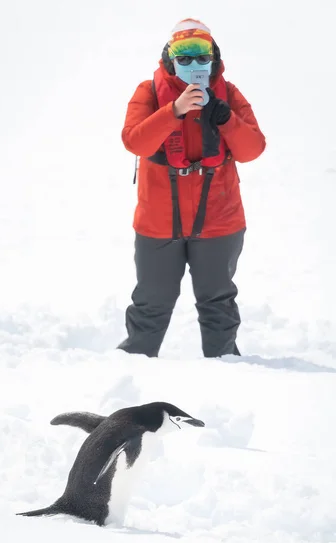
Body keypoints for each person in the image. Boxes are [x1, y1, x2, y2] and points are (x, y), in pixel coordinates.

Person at [117, 18, 266, 358]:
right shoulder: (149, 92)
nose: (193, 64)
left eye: (202, 56)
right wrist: (175, 111)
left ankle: (226, 368)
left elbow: (252, 149)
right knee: (150, 302)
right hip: (158, 222)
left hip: (219, 219)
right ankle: (131, 371)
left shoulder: (229, 94)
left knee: (218, 302)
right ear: (169, 59)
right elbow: (134, 141)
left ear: (214, 58)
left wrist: (226, 118)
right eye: (183, 56)